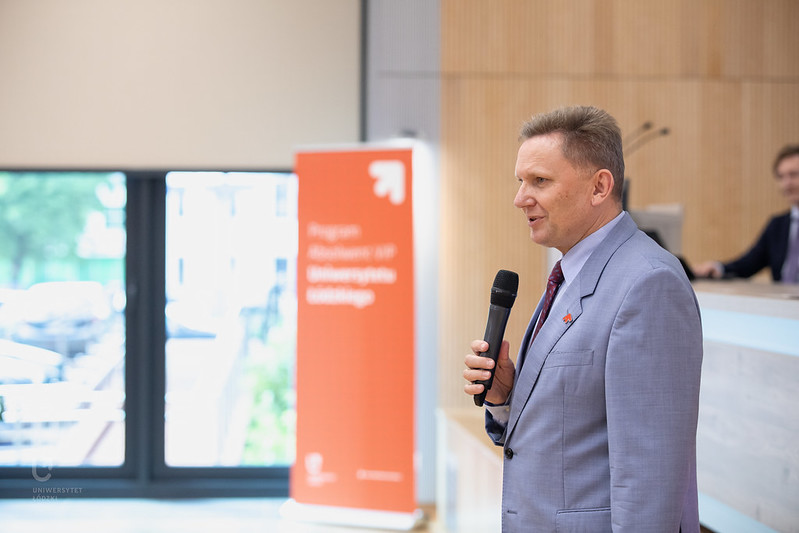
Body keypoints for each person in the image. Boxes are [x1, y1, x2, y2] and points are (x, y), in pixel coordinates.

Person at [463, 106, 704, 532]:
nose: (521, 198)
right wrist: (505, 399)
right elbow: (569, 433)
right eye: (520, 181)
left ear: (599, 187)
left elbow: (651, 480)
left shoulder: (649, 284)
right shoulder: (570, 272)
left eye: (540, 181)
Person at [694, 144, 799, 283]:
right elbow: (749, 263)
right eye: (781, 177)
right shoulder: (778, 225)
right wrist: (718, 268)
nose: (786, 184)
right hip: (783, 297)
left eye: (793, 175)